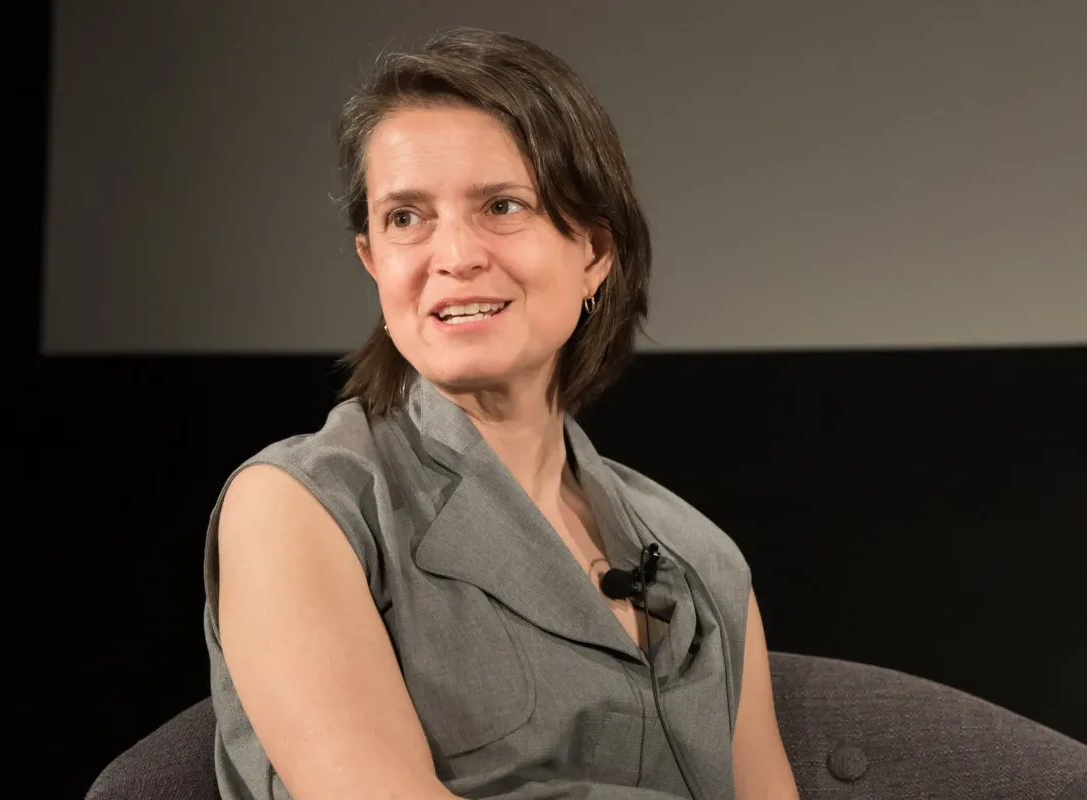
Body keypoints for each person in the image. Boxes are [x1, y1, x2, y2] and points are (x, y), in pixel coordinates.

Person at [202, 28, 799, 800]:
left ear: (593, 251)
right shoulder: (298, 507)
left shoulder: (700, 556)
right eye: (406, 218)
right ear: (373, 262)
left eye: (501, 206)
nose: (452, 255)